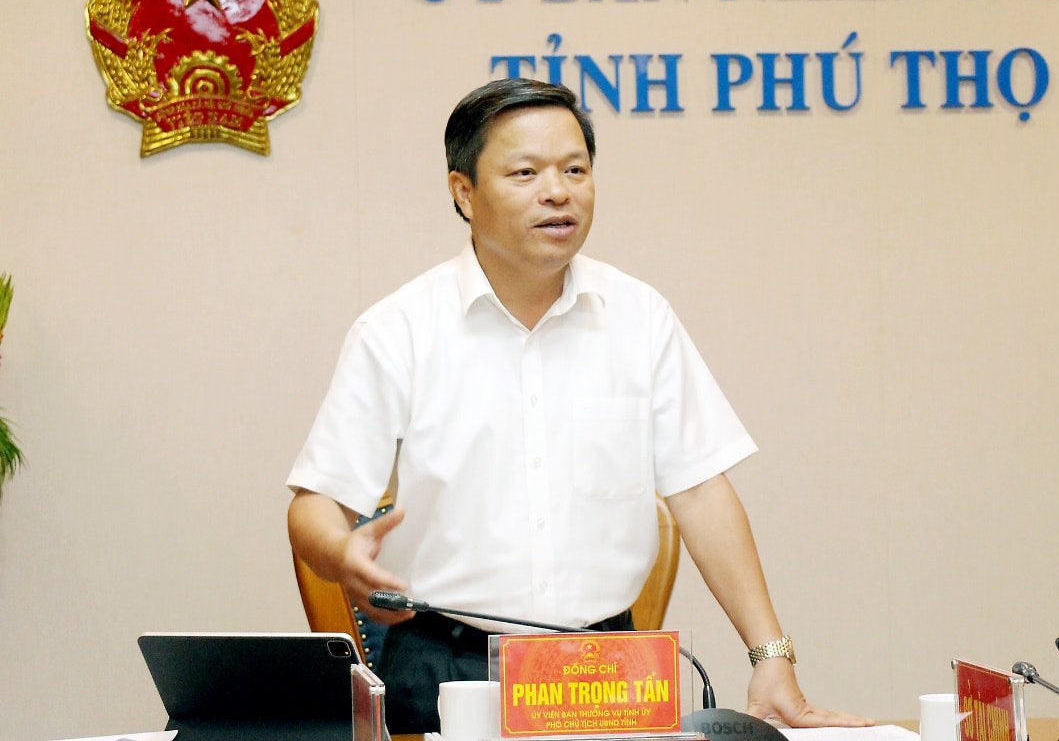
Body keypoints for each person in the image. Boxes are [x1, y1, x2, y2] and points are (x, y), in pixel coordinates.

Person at [287, 77, 871, 733]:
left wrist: (770, 654)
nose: (557, 191)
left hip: (606, 669)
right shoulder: (399, 329)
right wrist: (339, 555)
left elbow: (700, 490)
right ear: (463, 192)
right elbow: (315, 502)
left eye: (575, 169)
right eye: (525, 172)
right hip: (445, 668)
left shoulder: (638, 316)